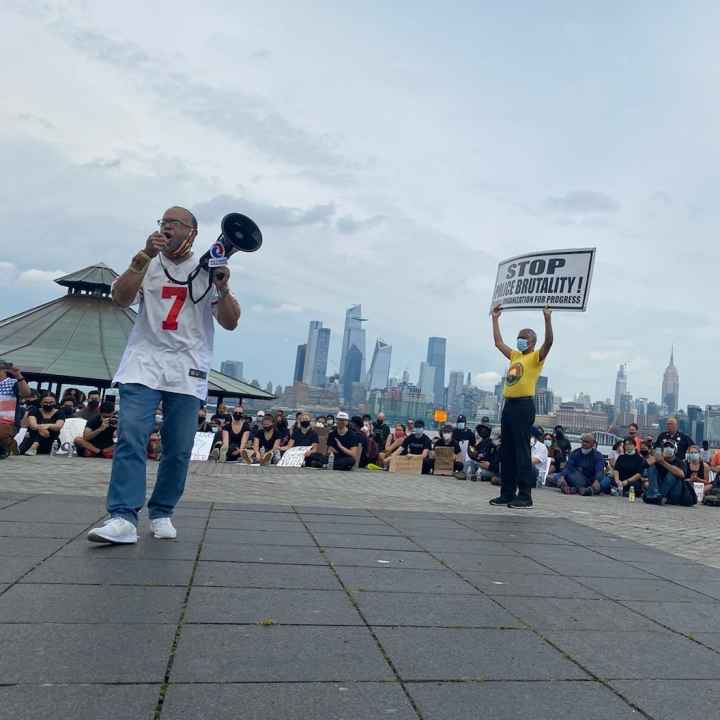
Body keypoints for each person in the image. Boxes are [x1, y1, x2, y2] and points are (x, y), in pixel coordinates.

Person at [87, 206, 241, 545]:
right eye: (164, 222)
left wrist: (223, 287)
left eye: (175, 223)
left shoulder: (206, 270)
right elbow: (120, 298)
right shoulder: (148, 262)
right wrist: (143, 256)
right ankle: (123, 516)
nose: (167, 228)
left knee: (179, 447)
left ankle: (162, 510)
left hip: (188, 367)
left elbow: (230, 321)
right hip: (144, 361)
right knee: (131, 434)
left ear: (193, 232)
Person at [490, 304, 554, 509]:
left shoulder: (535, 358)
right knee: (506, 451)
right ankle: (507, 493)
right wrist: (495, 318)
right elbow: (498, 342)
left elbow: (549, 342)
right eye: (519, 336)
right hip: (508, 406)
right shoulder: (516, 356)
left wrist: (547, 319)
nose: (520, 340)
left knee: (521, 451)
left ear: (532, 342)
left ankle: (525, 495)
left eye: (524, 338)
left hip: (523, 406)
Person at [643, 441, 696, 506]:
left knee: (673, 472)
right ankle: (655, 495)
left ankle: (654, 497)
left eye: (671, 447)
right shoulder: (659, 459)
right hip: (660, 488)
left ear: (675, 450)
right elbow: (644, 465)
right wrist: (656, 458)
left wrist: (663, 463)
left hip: (674, 491)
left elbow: (682, 475)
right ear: (662, 450)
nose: (668, 448)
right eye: (665, 447)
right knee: (651, 465)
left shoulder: (680, 462)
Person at [0, 362, 31, 459]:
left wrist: (18, 375)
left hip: (8, 423)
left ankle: (6, 444)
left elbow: (26, 393)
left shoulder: (13, 382)